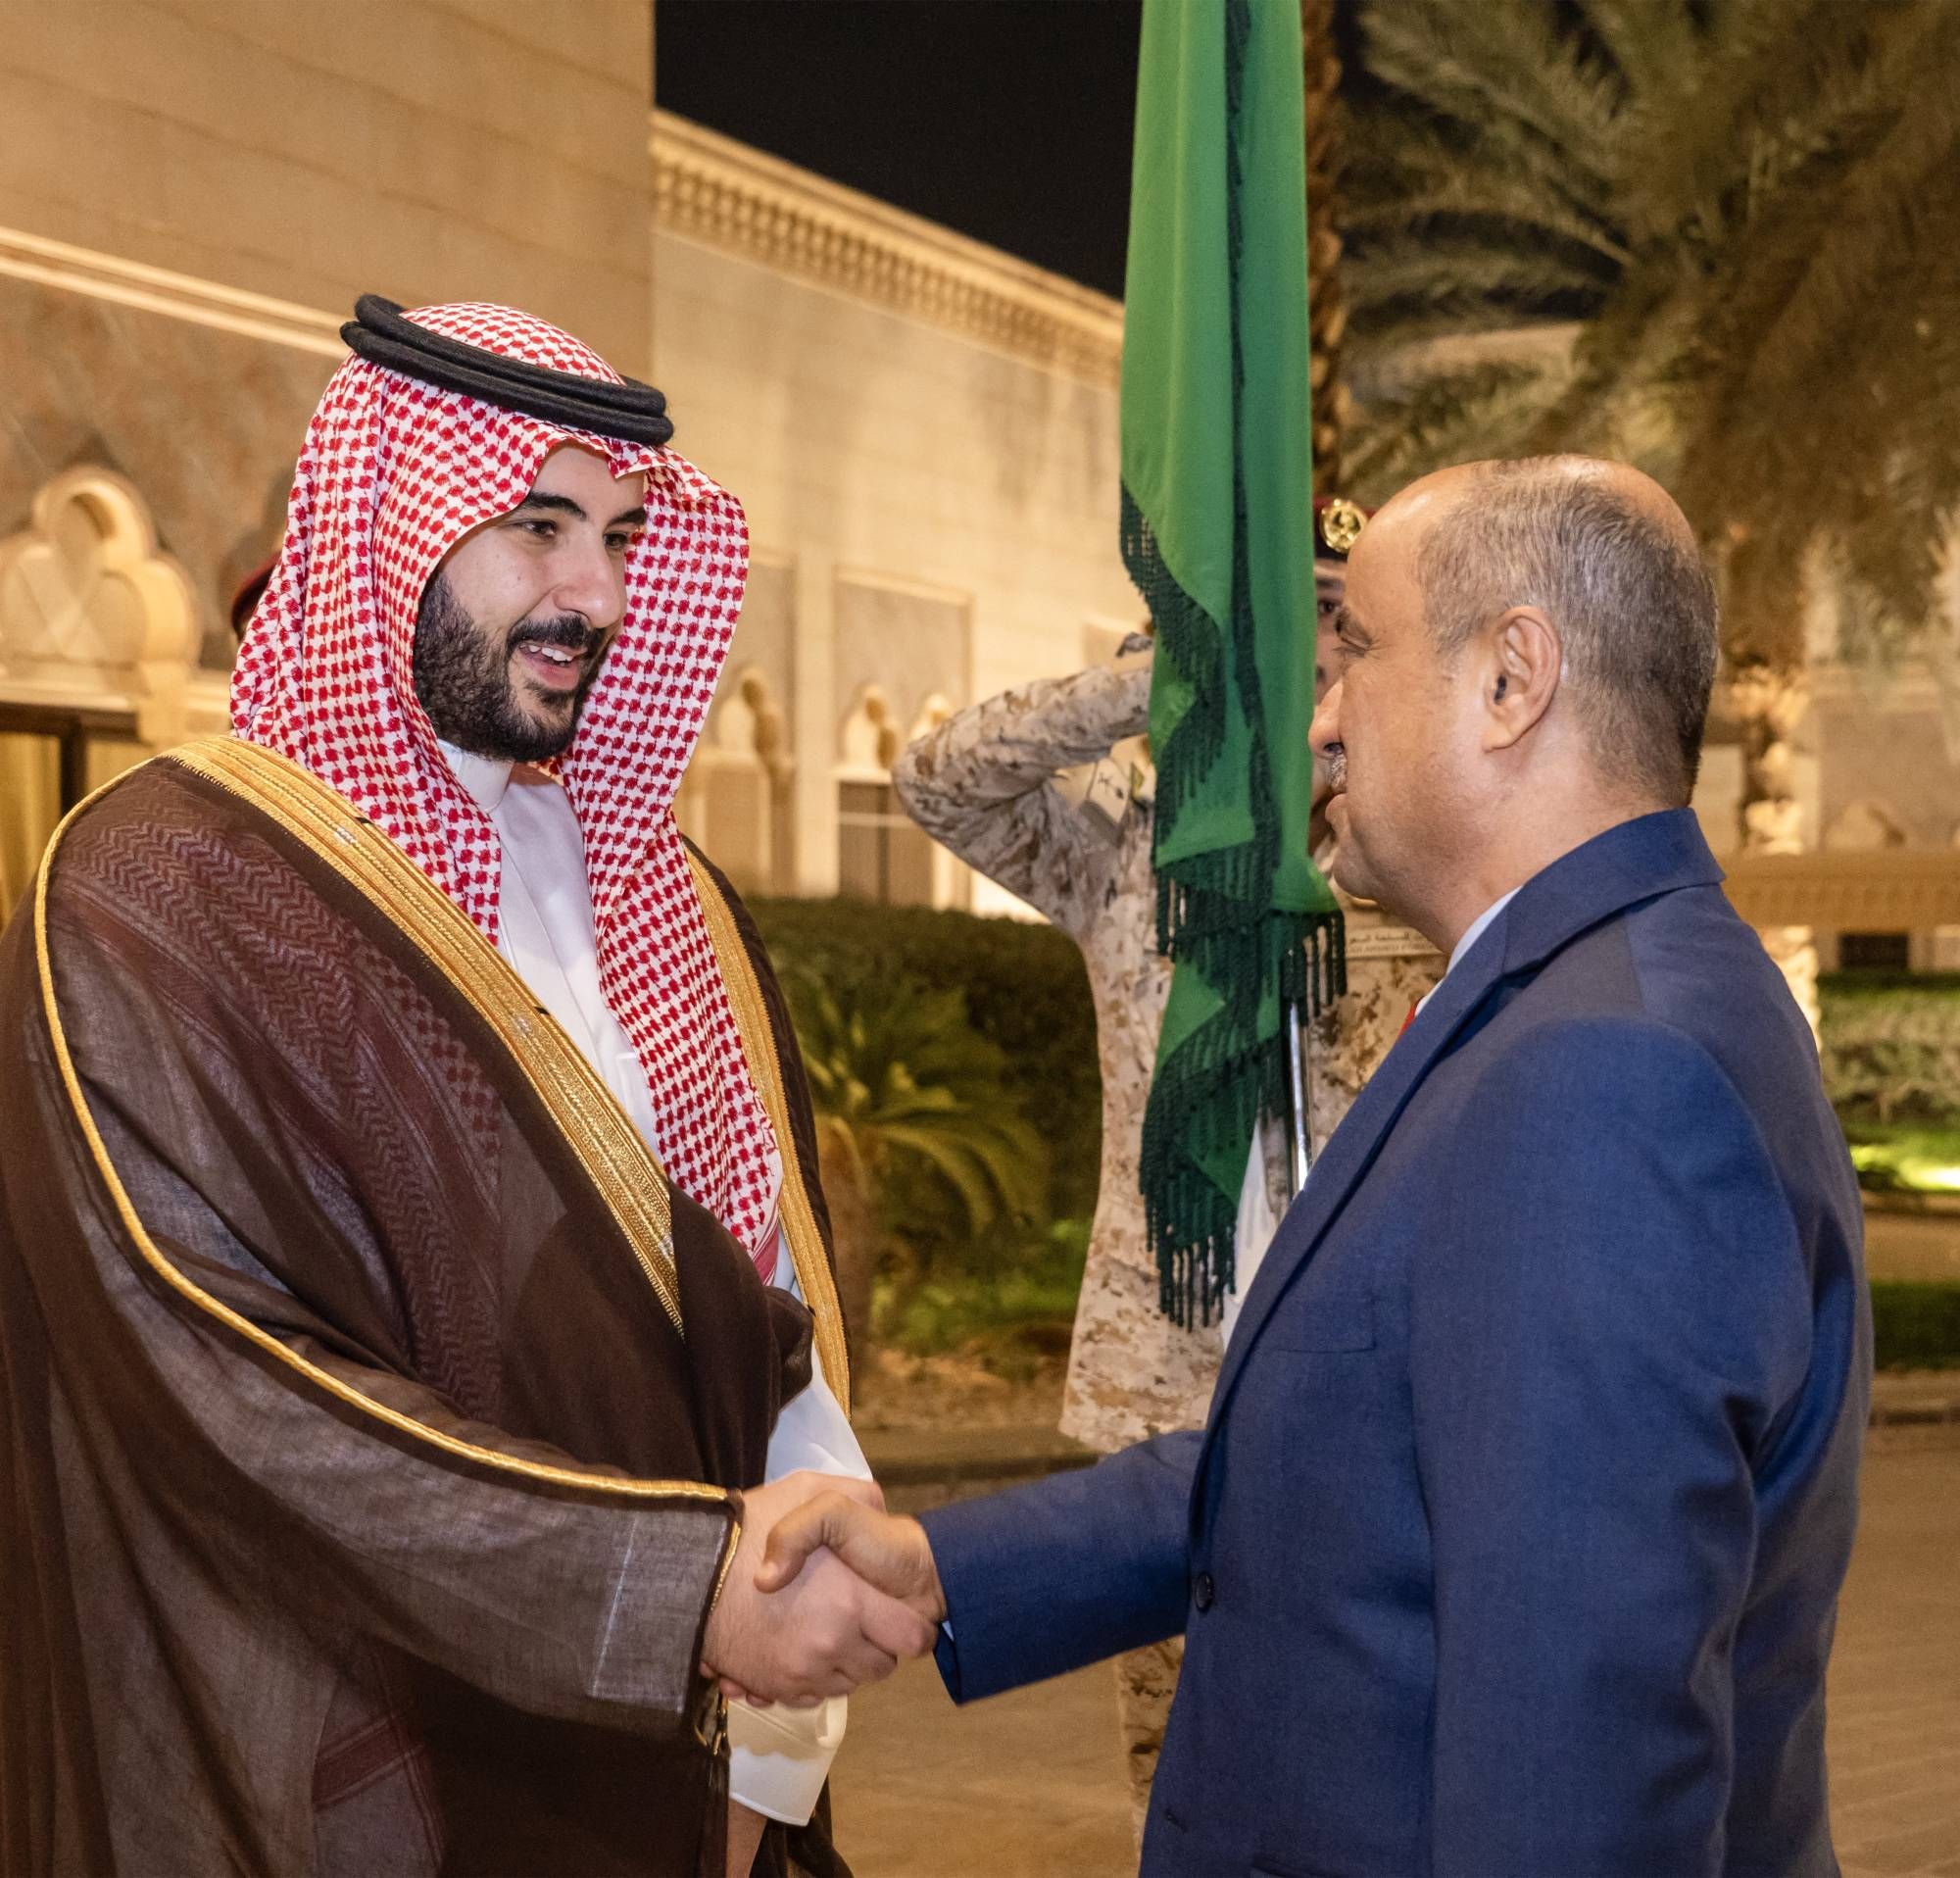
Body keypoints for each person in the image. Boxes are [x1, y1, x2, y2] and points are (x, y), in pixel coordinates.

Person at [760, 456, 1872, 1875]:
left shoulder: (1598, 1074)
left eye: (1361, 651)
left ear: (1511, 679)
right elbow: (1338, 1456)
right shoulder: (1595, 991)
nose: (1324, 715)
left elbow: (1575, 1765)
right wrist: (949, 1568)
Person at [0, 296, 931, 1878]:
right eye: (537, 525)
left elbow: (751, 1299)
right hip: (361, 1770)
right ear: (390, 523)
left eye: (622, 538)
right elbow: (228, 1382)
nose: (597, 594)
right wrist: (675, 1596)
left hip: (696, 1764)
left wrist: (792, 1672)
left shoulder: (662, 890)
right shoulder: (152, 894)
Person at [888, 507, 1371, 1833]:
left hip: (1360, 1382)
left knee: (1355, 1759)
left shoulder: (1411, 865)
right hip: (1167, 1381)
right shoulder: (1126, 859)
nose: (1307, 648)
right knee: (1180, 1770)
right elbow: (936, 780)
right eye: (1278, 615)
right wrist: (1147, 688)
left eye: (1337, 616)